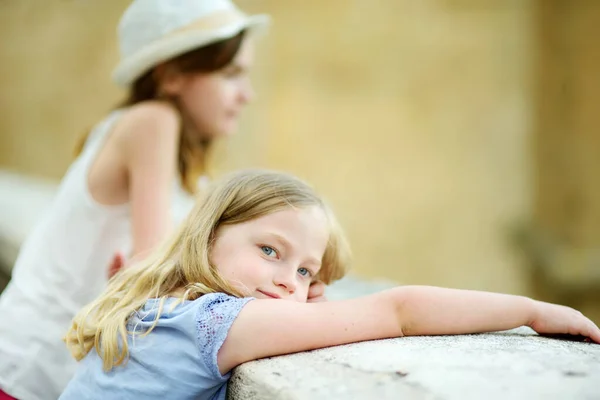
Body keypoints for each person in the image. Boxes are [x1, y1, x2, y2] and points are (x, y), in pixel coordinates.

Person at [0, 2, 331, 400]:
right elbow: (154, 268)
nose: (247, 94)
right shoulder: (152, 122)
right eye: (231, 74)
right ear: (171, 75)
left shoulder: (185, 164)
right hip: (25, 371)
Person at [59, 169, 600, 400]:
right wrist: (530, 311)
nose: (285, 280)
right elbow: (400, 311)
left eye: (304, 272)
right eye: (269, 250)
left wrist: (305, 298)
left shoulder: (162, 306)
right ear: (208, 235)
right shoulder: (216, 322)